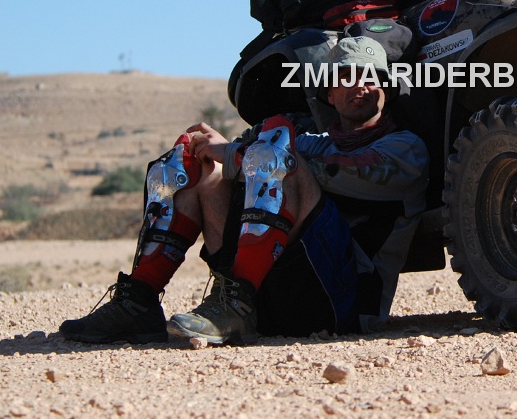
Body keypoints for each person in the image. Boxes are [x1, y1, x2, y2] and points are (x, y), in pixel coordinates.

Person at [59, 36, 429, 345]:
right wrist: (217, 152)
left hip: (343, 304)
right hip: (270, 295)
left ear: (386, 89)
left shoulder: (406, 150)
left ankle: (236, 305)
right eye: (346, 78)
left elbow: (326, 168)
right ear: (330, 95)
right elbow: (258, 158)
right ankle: (141, 300)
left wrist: (237, 153)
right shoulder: (314, 142)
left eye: (371, 78)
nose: (360, 86)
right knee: (192, 165)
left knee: (278, 156)